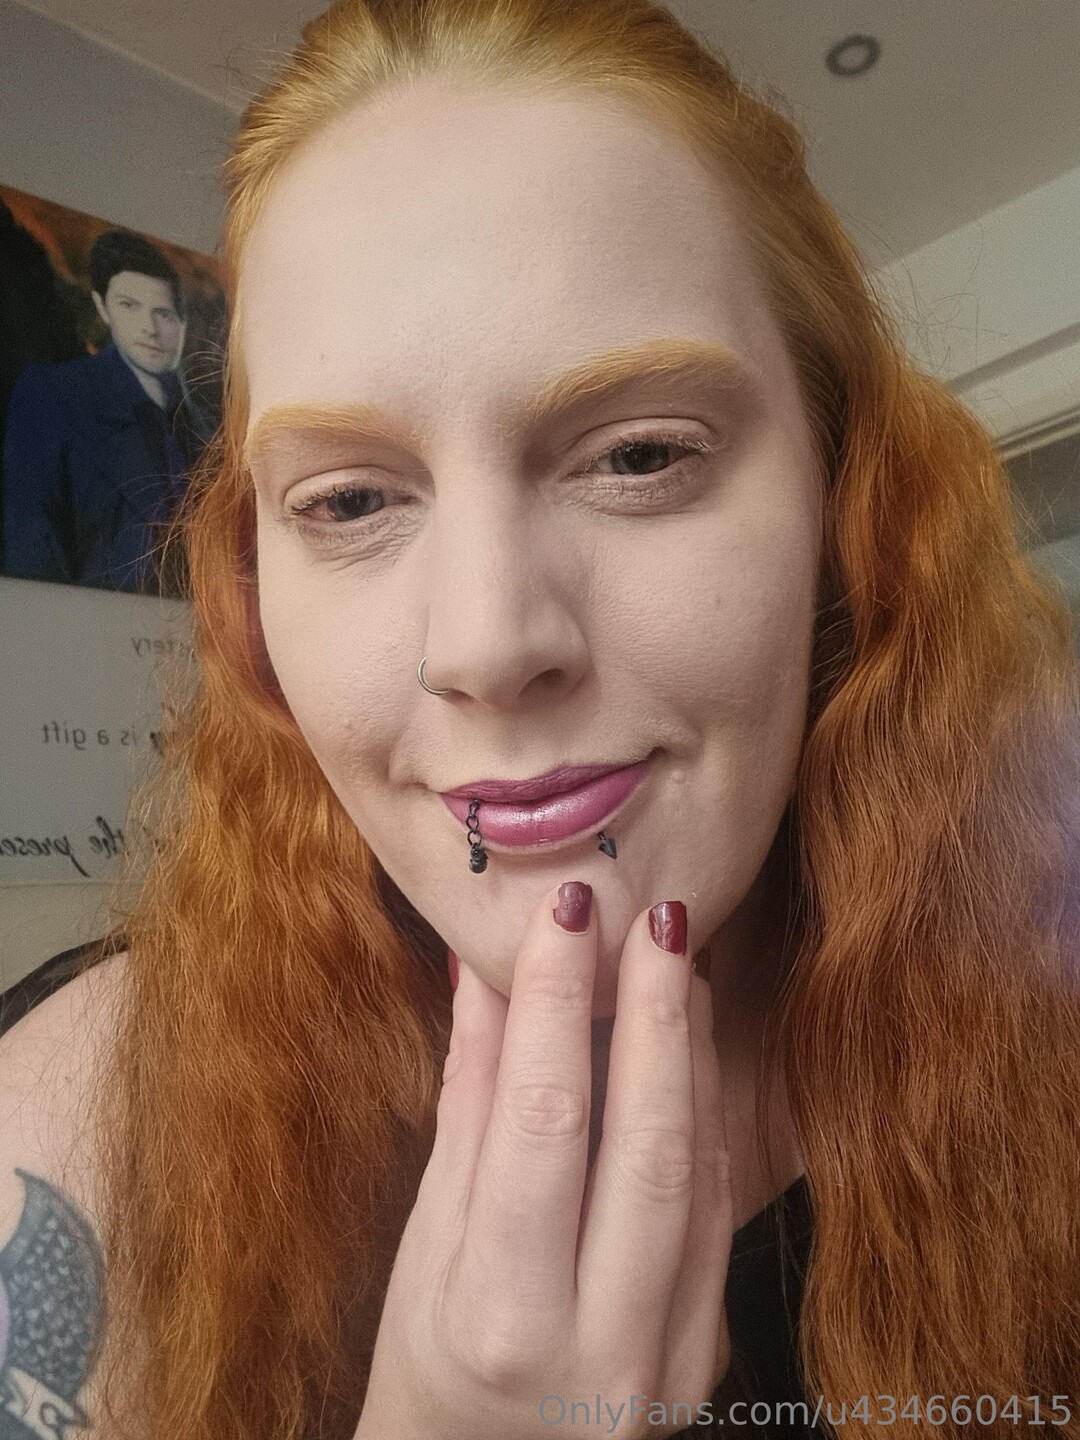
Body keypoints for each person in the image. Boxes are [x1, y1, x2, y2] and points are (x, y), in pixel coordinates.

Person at [1, 0, 1079, 1436]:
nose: (487, 644)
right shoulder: (71, 1125)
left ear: (843, 503)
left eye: (637, 456)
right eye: (349, 498)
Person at [1, 229, 194, 593]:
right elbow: (31, 553)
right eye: (128, 306)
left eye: (164, 313)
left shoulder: (206, 429)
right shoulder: (56, 395)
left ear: (183, 325)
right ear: (103, 308)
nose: (150, 329)